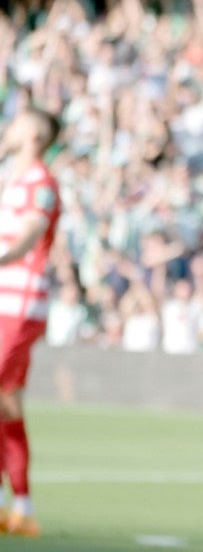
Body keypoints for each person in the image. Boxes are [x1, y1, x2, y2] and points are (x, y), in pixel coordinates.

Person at [0, 108, 62, 538]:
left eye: (19, 122)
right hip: (3, 299)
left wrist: (3, 257)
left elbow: (30, 235)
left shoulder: (42, 183)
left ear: (35, 135)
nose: (9, 127)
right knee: (8, 404)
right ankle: (20, 504)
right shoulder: (13, 179)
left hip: (21, 304)